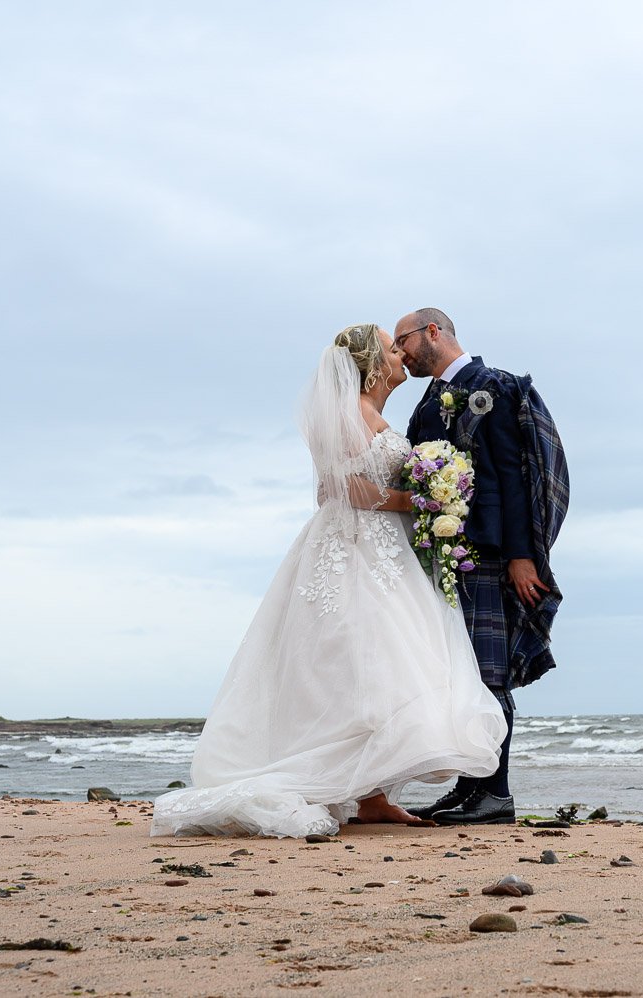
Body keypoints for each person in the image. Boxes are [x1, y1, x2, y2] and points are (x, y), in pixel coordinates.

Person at [150, 324, 505, 839]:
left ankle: (374, 795)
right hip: (355, 549)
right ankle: (364, 793)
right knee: (360, 662)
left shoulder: (371, 415)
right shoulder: (349, 415)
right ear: (371, 363)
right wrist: (424, 500)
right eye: (390, 348)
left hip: (383, 549)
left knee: (378, 663)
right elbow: (345, 489)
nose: (399, 353)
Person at [394, 307, 568, 826]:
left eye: (402, 341)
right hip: (444, 553)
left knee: (488, 673)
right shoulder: (426, 404)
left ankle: (496, 794)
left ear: (433, 332)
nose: (400, 354)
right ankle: (470, 788)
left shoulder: (494, 386)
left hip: (492, 552)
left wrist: (522, 556)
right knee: (461, 671)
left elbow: (517, 477)